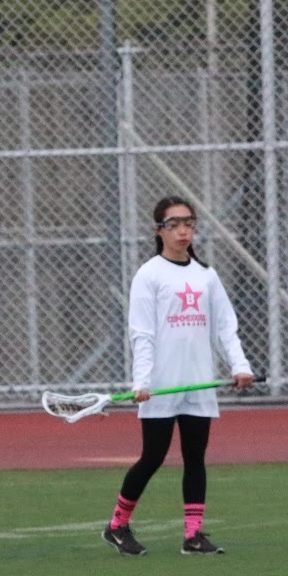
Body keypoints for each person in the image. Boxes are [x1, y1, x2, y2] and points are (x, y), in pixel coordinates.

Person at [102, 196, 254, 557]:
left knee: (195, 457)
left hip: (198, 382)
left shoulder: (206, 276)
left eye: (189, 223)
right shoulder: (149, 275)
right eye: (174, 225)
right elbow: (142, 333)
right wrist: (142, 382)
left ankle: (193, 535)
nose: (183, 231)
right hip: (161, 385)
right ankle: (117, 525)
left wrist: (240, 366)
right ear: (159, 231)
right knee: (153, 456)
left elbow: (225, 327)